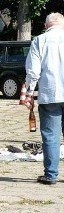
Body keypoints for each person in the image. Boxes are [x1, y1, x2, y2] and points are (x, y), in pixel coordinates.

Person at [23, 11, 64, 185]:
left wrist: (29, 93)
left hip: (51, 94)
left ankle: (51, 175)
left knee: (51, 135)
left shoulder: (39, 41)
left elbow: (33, 71)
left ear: (46, 25)